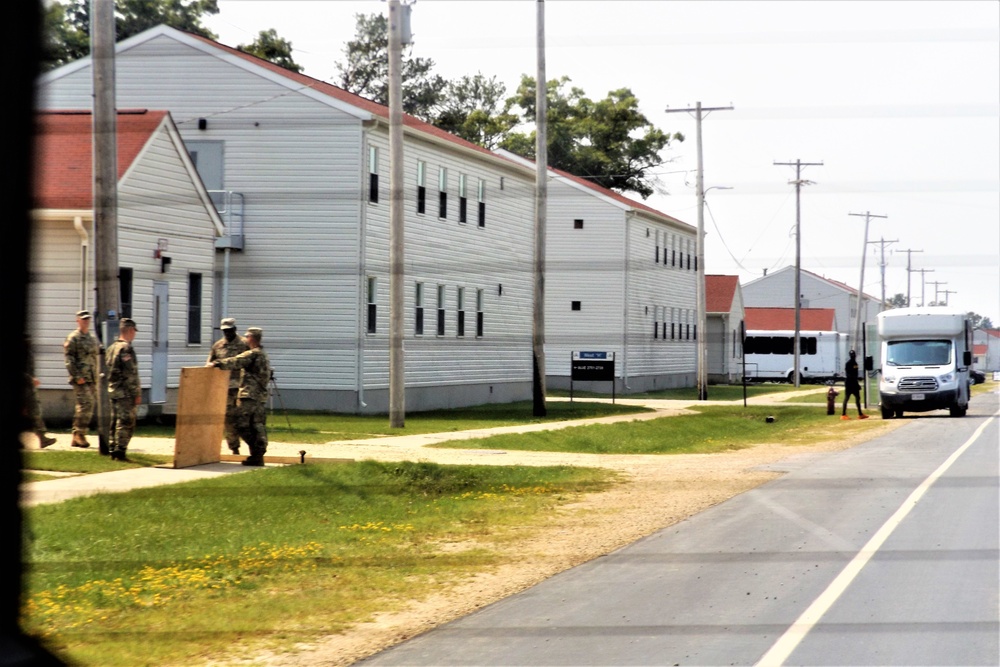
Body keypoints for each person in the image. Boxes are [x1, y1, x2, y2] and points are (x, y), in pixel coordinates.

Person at [209, 327, 271, 466]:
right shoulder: (263, 354)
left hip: (249, 395)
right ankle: (257, 455)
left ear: (251, 338)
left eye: (247, 337)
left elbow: (235, 361)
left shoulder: (252, 354)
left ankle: (256, 452)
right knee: (257, 425)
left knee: (241, 424)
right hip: (260, 396)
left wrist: (216, 363)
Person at [206, 318, 249, 454]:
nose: (227, 333)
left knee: (245, 418)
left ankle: (254, 447)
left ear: (235, 329)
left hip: (242, 387)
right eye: (225, 331)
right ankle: (234, 447)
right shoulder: (218, 346)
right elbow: (209, 363)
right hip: (224, 388)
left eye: (229, 330)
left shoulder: (244, 344)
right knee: (229, 419)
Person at [105, 318, 142, 461]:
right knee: (126, 421)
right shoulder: (126, 349)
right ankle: (120, 451)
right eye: (134, 332)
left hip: (113, 389)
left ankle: (112, 448)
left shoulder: (112, 347)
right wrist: (136, 393)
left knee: (115, 420)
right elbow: (130, 374)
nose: (134, 335)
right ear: (130, 330)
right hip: (125, 391)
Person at [63, 310, 100, 448]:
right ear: (77, 320)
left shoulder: (91, 338)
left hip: (91, 377)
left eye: (87, 319)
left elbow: (94, 357)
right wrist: (77, 376)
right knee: (86, 404)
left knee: (87, 405)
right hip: (80, 378)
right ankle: (80, 434)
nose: (86, 321)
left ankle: (76, 436)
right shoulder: (73, 338)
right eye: (83, 319)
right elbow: (69, 359)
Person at [23, 335, 56, 448]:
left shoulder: (29, 351)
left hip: (29, 387)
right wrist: (30, 378)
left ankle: (41, 437)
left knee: (35, 412)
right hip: (24, 387)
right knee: (33, 413)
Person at [841, 349, 869, 420]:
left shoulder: (855, 364)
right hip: (850, 383)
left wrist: (857, 379)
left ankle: (860, 414)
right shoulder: (848, 363)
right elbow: (849, 374)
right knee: (847, 398)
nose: (853, 356)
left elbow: (855, 374)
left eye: (853, 355)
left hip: (853, 383)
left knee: (857, 398)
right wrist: (856, 381)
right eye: (852, 355)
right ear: (850, 356)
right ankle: (843, 414)